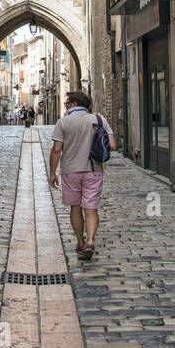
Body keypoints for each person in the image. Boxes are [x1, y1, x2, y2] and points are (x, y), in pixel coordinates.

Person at [48, 90, 116, 261]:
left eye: (66, 103)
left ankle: (80, 242)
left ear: (73, 104)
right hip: (93, 170)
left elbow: (57, 150)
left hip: (70, 171)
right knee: (91, 208)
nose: (65, 106)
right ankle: (91, 241)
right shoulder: (99, 120)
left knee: (76, 208)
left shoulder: (63, 122)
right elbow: (113, 145)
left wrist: (52, 173)